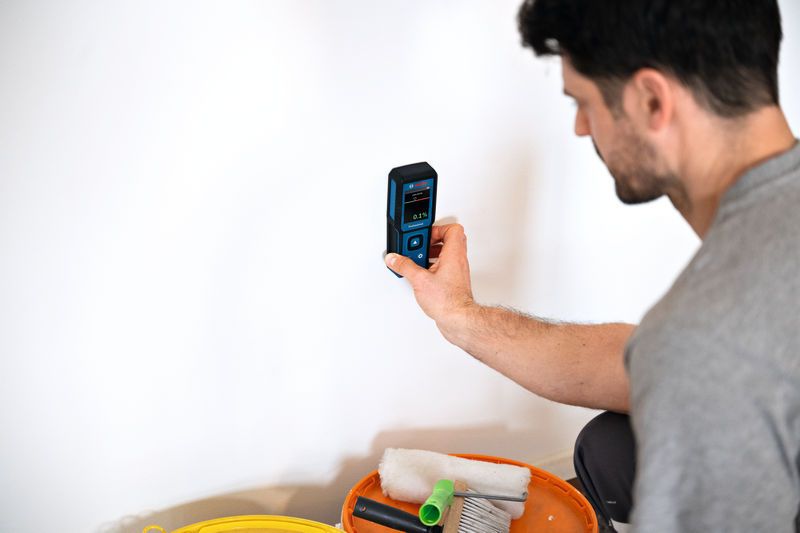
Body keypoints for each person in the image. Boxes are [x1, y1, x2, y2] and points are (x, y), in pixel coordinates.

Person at [384, 1, 800, 531]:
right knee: (612, 448)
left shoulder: (704, 339)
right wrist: (461, 316)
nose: (582, 127)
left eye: (583, 102)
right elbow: (648, 365)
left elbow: (694, 359)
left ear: (652, 100)